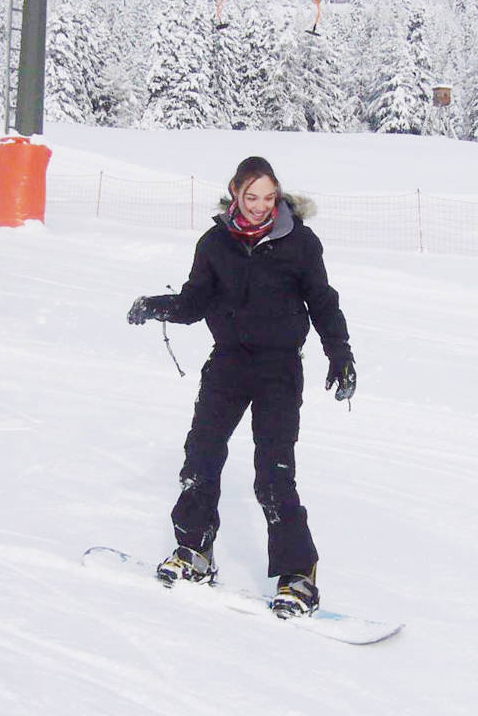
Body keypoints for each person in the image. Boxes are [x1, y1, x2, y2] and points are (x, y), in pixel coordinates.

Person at [127, 156, 356, 617]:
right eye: (252, 197)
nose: (260, 206)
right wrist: (157, 305)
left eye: (269, 197)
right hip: (228, 363)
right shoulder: (215, 243)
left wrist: (340, 353)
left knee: (274, 473)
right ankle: (194, 551)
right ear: (235, 192)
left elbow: (322, 302)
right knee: (201, 457)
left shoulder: (299, 243)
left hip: (278, 369)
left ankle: (298, 576)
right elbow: (195, 302)